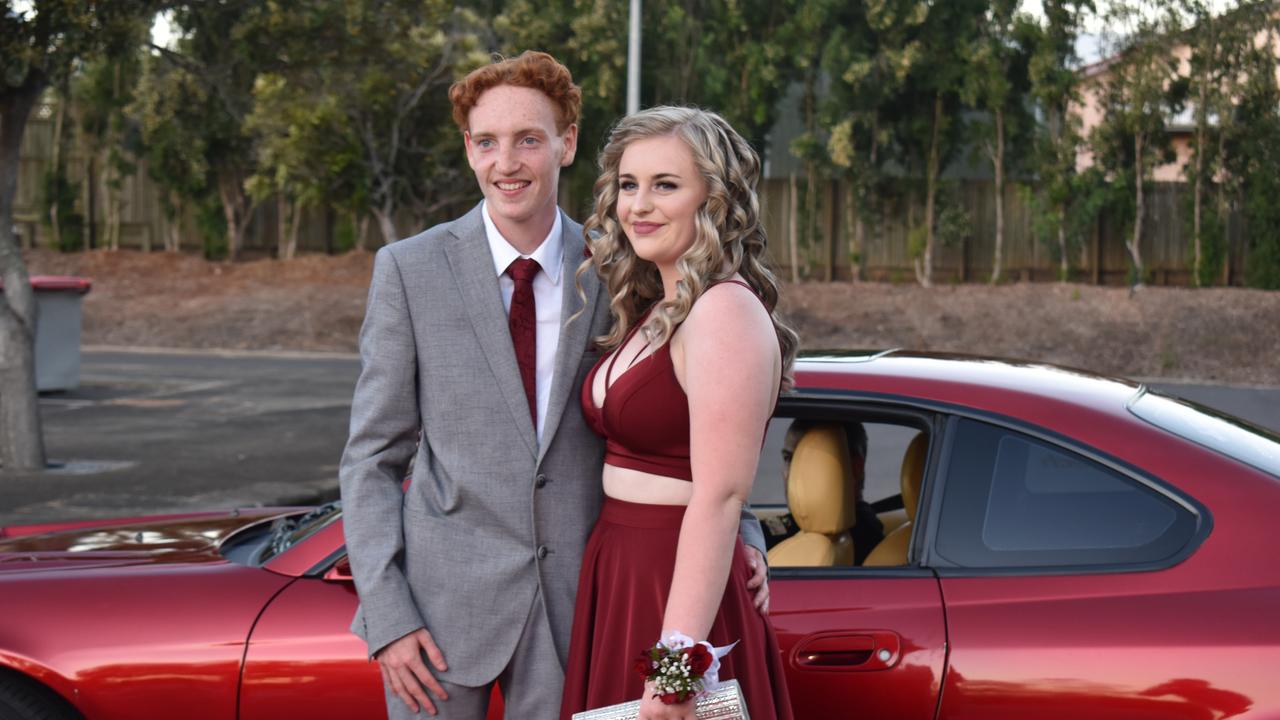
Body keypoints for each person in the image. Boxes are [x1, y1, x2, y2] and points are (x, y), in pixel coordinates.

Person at [339, 52, 770, 720]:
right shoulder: (409, 271)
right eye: (487, 142)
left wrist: (742, 529)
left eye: (528, 140)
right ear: (469, 150)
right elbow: (372, 456)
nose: (506, 163)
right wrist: (386, 613)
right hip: (438, 620)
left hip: (583, 612)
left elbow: (698, 410)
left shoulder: (622, 265)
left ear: (567, 143)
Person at [560, 107, 798, 720]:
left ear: (714, 200)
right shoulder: (661, 306)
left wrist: (674, 674)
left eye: (665, 185)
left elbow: (719, 497)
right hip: (621, 574)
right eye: (629, 185)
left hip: (677, 596)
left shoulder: (724, 312)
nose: (639, 204)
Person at [767, 419, 886, 565]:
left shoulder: (863, 538)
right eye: (787, 459)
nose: (789, 474)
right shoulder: (812, 529)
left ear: (854, 468)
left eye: (806, 461)